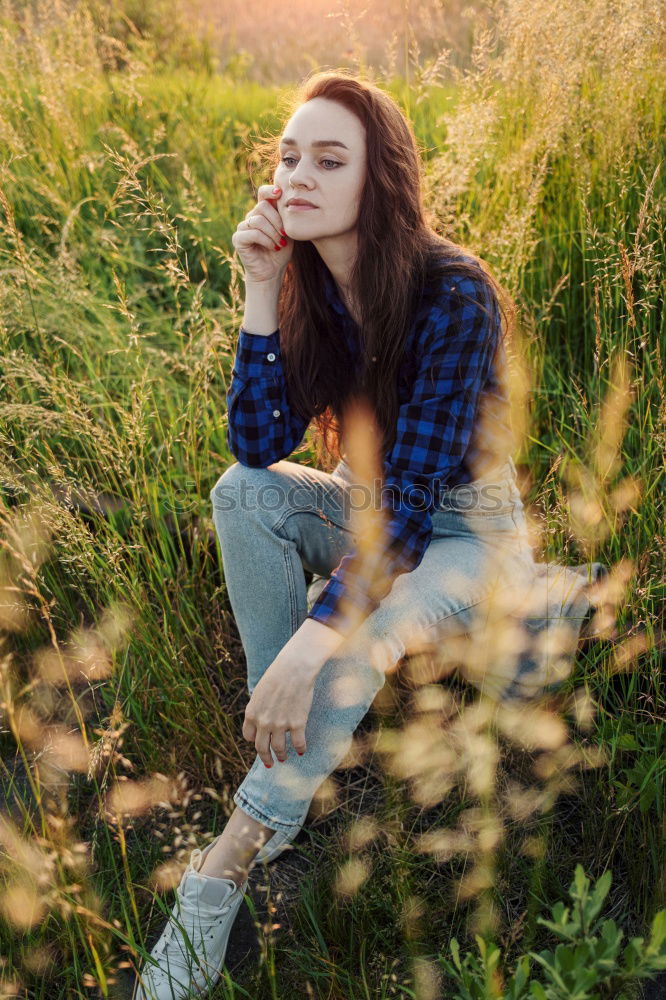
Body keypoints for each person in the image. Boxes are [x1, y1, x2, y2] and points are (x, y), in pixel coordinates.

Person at [133, 70, 540, 1000]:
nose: (300, 174)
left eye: (329, 158)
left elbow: (412, 506)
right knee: (242, 493)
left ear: (378, 178)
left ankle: (223, 869)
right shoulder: (310, 285)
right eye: (288, 157)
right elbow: (257, 444)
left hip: (464, 537)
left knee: (361, 633)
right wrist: (262, 287)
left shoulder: (453, 292)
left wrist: (318, 634)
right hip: (370, 515)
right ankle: (285, 758)